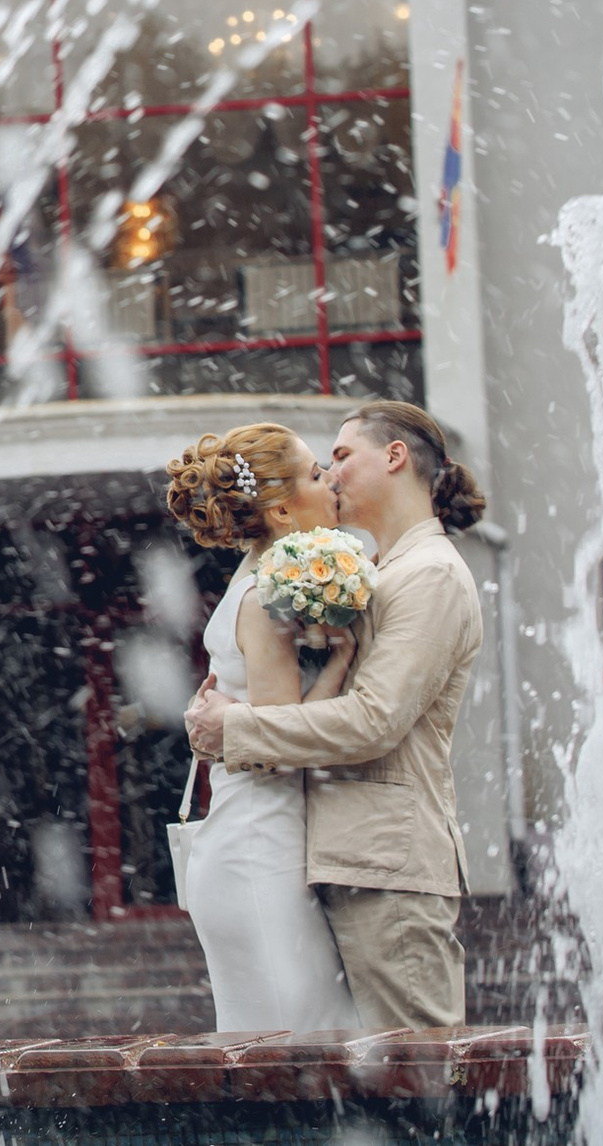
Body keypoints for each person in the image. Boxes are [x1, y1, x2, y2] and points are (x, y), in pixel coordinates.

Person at [183, 400, 487, 1030]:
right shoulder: (378, 571)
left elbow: (375, 719)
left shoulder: (428, 574)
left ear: (395, 457)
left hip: (386, 865)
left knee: (413, 1080)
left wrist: (232, 727)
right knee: (333, 1073)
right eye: (320, 469)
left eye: (340, 458)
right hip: (336, 858)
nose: (333, 476)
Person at [163, 423, 362, 1032]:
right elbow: (277, 745)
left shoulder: (249, 581)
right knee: (303, 1054)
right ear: (279, 509)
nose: (328, 481)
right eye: (312, 475)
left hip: (247, 846)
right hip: (259, 853)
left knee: (279, 1052)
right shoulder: (264, 598)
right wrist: (341, 662)